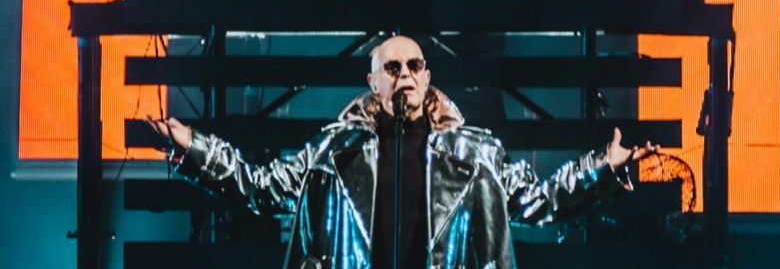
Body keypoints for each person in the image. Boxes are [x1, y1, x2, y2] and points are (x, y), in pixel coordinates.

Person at [148, 35, 658, 268]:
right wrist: (194, 148)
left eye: (414, 66)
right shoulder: (335, 152)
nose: (405, 76)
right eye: (392, 68)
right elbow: (262, 189)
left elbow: (537, 201)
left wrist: (602, 169)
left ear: (428, 78)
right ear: (373, 82)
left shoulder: (474, 153)